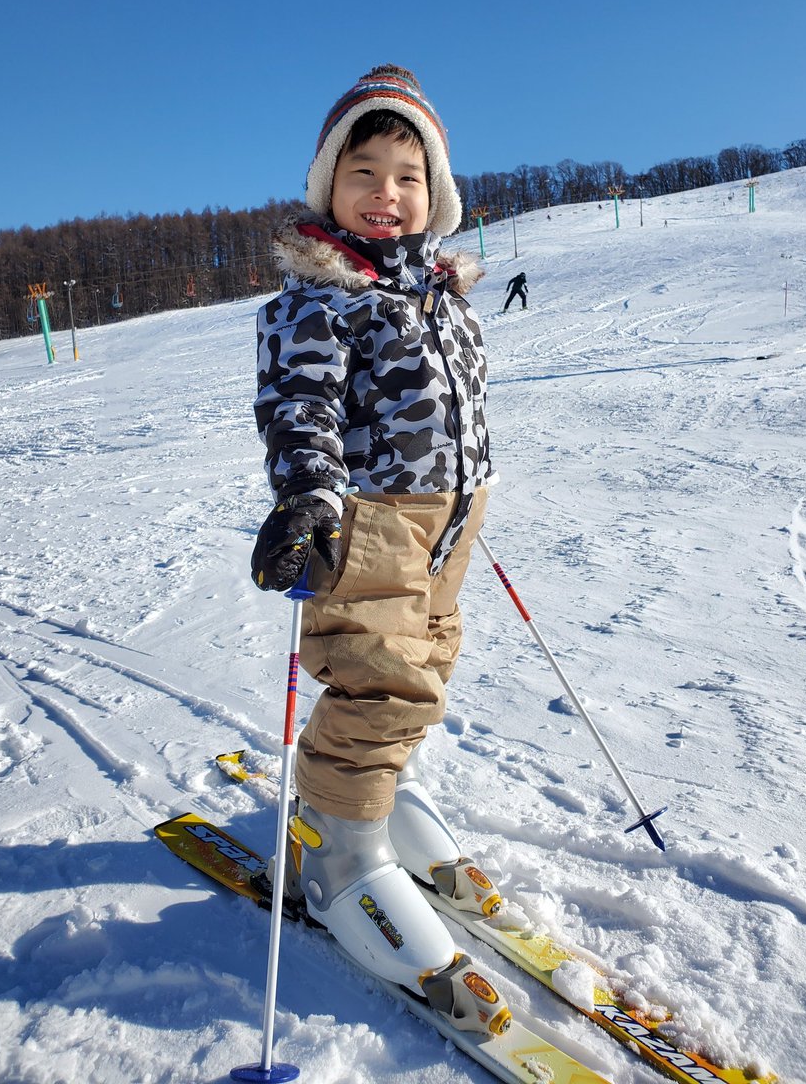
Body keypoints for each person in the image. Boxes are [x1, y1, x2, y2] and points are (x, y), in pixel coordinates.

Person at [251, 65, 509, 1034]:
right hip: (367, 519)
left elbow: (457, 402)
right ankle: (339, 852)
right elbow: (300, 407)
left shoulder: (440, 291)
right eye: (365, 170)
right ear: (330, 185)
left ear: (432, 191)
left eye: (407, 174)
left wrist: (463, 489)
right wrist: (311, 492)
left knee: (430, 661)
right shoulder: (322, 296)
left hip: (447, 516)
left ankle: (367, 788)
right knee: (379, 681)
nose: (386, 191)